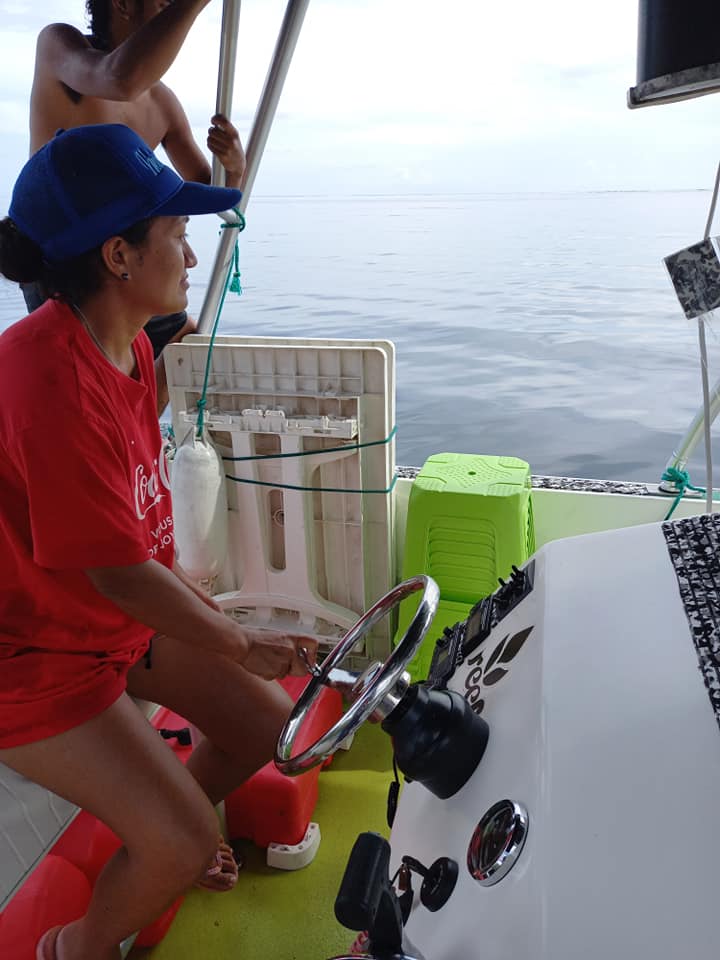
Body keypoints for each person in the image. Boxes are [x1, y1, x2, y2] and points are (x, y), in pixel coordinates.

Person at [0, 123, 318, 960]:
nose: (191, 252)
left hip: (106, 628)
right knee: (182, 843)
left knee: (269, 726)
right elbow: (118, 572)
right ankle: (77, 946)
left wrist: (226, 630)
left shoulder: (134, 348)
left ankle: (157, 830)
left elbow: (133, 542)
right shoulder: (45, 378)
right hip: (33, 657)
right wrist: (234, 639)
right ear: (118, 255)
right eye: (177, 233)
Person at [26, 0, 246, 408]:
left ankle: (136, 429)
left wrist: (234, 169)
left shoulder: (162, 103)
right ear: (123, 4)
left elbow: (210, 193)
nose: (176, 17)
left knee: (188, 345)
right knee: (88, 388)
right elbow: (121, 78)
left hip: (132, 261)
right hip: (66, 264)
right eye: (165, 4)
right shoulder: (62, 50)